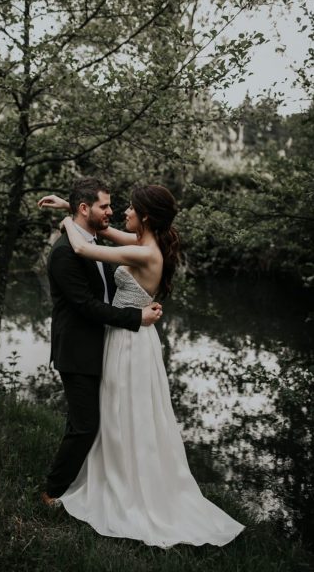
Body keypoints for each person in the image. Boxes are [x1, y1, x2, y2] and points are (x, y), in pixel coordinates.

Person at [41, 183, 245, 548]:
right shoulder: (139, 243)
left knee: (127, 414)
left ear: (146, 216)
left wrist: (67, 222)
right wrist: (69, 208)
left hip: (131, 341)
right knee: (118, 414)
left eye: (130, 208)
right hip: (124, 337)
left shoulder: (144, 253)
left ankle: (131, 485)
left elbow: (84, 246)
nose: (123, 213)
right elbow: (100, 230)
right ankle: (116, 475)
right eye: (112, 207)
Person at [38, 178, 162, 506]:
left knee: (94, 420)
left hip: (106, 345)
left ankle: (100, 482)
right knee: (85, 426)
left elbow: (97, 234)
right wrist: (136, 318)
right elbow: (86, 306)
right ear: (85, 208)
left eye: (113, 205)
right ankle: (51, 492)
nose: (113, 211)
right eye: (105, 206)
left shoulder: (96, 240)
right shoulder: (65, 252)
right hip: (78, 349)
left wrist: (69, 208)